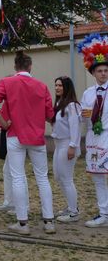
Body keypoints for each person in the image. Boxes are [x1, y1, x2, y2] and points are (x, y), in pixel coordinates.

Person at [0, 51, 55, 235]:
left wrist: (3, 123)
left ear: (15, 67)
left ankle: (23, 223)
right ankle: (49, 221)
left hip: (15, 134)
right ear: (30, 66)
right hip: (37, 137)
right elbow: (50, 115)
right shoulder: (41, 86)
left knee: (17, 177)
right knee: (42, 178)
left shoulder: (6, 82)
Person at [78, 34, 108, 228]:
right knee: (98, 176)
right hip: (93, 137)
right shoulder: (88, 93)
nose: (104, 74)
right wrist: (84, 115)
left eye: (106, 71)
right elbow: (81, 116)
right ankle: (103, 213)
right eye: (100, 71)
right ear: (93, 73)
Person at [51, 76, 81, 223]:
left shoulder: (72, 105)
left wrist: (72, 146)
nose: (57, 88)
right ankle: (71, 206)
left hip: (67, 144)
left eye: (60, 86)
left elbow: (75, 127)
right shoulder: (59, 103)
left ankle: (74, 212)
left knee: (67, 179)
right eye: (56, 85)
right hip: (59, 145)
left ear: (67, 87)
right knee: (58, 177)